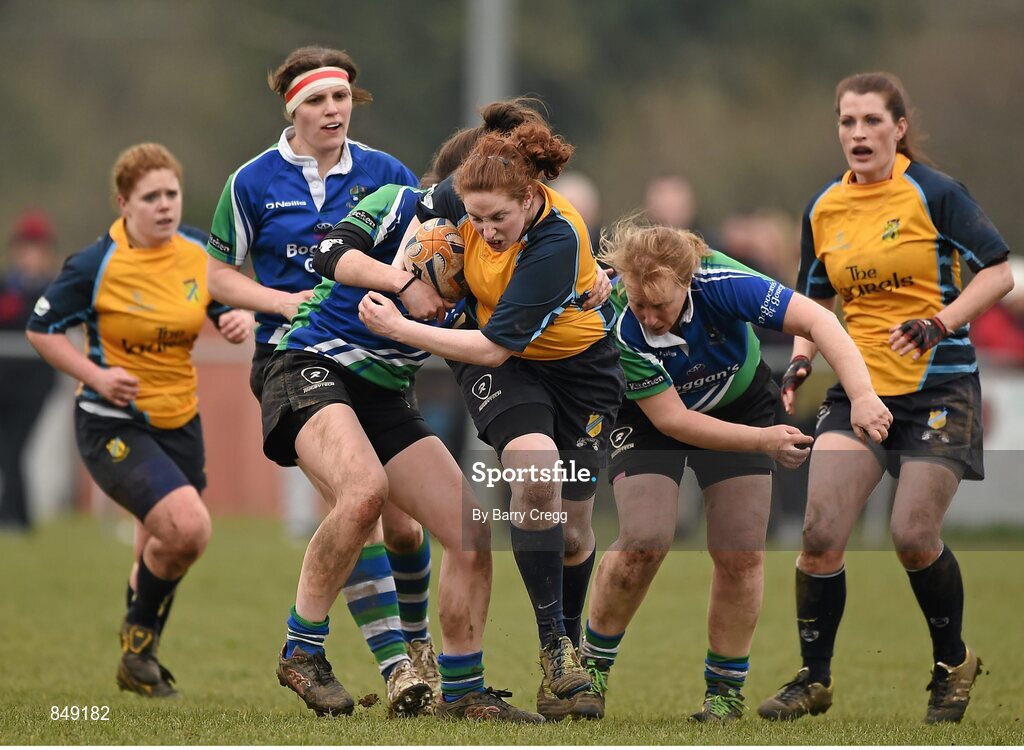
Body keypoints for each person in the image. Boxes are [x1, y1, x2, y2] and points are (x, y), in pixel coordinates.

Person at [258, 100, 555, 722]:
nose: (486, 219)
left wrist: (596, 280)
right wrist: (403, 283)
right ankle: (302, 650)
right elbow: (328, 256)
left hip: (385, 391)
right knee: (364, 491)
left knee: (471, 530)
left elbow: (514, 324)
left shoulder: (490, 253)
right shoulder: (397, 201)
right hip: (311, 365)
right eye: (474, 201)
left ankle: (464, 691)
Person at [758, 72, 1014, 725]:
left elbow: (998, 272)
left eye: (872, 120)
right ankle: (814, 678)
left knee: (911, 533)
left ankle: (951, 661)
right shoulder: (824, 208)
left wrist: (941, 321)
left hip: (941, 384)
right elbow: (813, 300)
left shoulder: (936, 193)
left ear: (899, 127)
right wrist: (802, 362)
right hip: (860, 386)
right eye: (848, 122)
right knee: (819, 532)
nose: (859, 133)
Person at [358, 107, 623, 722]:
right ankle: (557, 651)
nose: (485, 228)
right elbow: (416, 231)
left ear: (531, 198)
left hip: (579, 371)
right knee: (535, 468)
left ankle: (564, 647)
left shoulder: (558, 237)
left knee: (577, 529)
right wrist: (408, 280)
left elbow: (497, 341)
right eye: (474, 217)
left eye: (498, 217)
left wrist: (402, 329)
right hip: (502, 369)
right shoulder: (463, 196)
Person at [578, 217, 891, 721]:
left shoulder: (722, 281)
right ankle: (591, 669)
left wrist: (862, 395)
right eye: (641, 304)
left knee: (741, 552)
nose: (651, 317)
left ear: (687, 281)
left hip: (738, 404)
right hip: (649, 417)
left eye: (661, 304)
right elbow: (675, 421)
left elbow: (820, 321)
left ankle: (723, 692)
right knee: (645, 539)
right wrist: (766, 441)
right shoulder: (616, 317)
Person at [203, 45, 439, 712]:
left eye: (340, 99)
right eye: (317, 100)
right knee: (359, 498)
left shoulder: (386, 173)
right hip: (294, 361)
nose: (332, 110)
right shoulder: (249, 182)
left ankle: (418, 654)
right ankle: (388, 666)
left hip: (378, 366)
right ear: (292, 109)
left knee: (406, 530)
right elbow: (216, 273)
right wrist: (274, 304)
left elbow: (424, 254)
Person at [25, 143, 252, 697]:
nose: (165, 205)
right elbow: (41, 330)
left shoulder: (199, 249)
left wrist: (237, 317)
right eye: (151, 197)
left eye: (171, 193)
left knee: (160, 544)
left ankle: (138, 661)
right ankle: (139, 636)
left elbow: (225, 301)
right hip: (113, 421)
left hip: (181, 420)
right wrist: (97, 376)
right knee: (189, 529)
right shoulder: (94, 264)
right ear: (124, 203)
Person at [0, 210, 59, 531]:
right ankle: (17, 517)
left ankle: (13, 517)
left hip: (34, 386)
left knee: (13, 448)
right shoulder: (5, 285)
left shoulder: (53, 290)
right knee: (7, 450)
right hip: (2, 383)